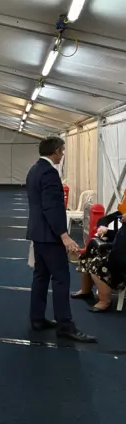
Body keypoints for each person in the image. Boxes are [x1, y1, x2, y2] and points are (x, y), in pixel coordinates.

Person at [25, 137, 96, 342]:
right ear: (56, 151)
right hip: (50, 235)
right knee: (61, 279)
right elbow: (51, 207)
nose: (63, 154)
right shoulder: (49, 172)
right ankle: (65, 326)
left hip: (38, 233)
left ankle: (37, 318)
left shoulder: (34, 169)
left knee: (41, 277)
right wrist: (64, 236)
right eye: (62, 151)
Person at [72, 212, 126, 312]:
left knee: (98, 262)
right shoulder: (123, 208)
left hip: (121, 256)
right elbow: (104, 220)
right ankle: (86, 291)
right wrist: (103, 229)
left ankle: (105, 301)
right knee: (90, 252)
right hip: (118, 248)